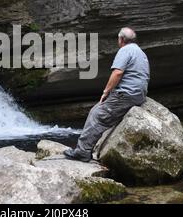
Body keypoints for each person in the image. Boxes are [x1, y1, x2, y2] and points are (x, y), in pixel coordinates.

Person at [64, 27, 150, 162]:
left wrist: (106, 91)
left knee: (96, 115)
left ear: (121, 40)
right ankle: (90, 148)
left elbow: (117, 73)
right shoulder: (141, 53)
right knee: (102, 113)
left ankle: (82, 152)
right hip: (139, 95)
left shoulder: (125, 50)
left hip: (126, 94)